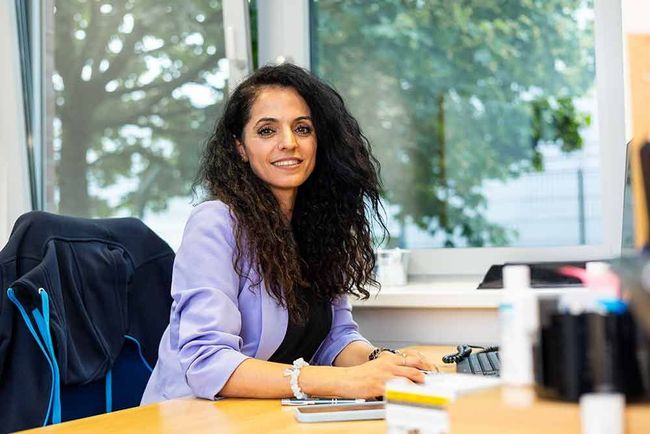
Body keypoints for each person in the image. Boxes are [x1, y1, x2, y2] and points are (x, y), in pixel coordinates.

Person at [141, 63, 433, 404]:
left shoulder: (319, 226)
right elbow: (207, 362)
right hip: (193, 416)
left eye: (303, 128)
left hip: (266, 417)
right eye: (267, 131)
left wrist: (381, 363)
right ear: (240, 147)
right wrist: (346, 382)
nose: (289, 143)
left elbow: (334, 339)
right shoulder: (216, 223)